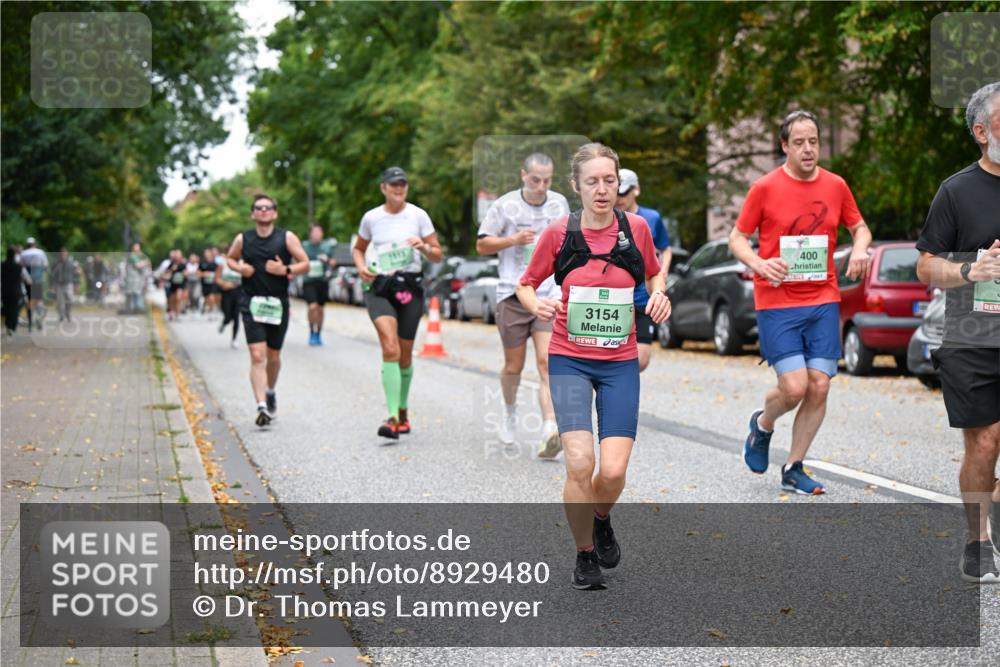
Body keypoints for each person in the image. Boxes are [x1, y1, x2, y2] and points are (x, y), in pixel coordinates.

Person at [516, 143, 670, 590]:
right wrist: (537, 303)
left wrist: (659, 293)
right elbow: (526, 284)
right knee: (580, 462)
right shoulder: (559, 233)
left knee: (614, 471)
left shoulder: (636, 229)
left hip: (619, 362)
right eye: (592, 182)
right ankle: (584, 553)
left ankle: (601, 517)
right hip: (569, 359)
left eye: (609, 181)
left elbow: (654, 273)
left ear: (617, 182)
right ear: (576, 186)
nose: (602, 190)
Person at [729, 110, 872, 496]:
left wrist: (860, 249)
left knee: (820, 387)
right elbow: (737, 238)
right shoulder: (764, 188)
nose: (808, 149)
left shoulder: (836, 185)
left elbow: (859, 227)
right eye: (799, 143)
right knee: (793, 388)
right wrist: (760, 262)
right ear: (784, 147)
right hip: (777, 301)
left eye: (813, 142)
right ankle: (762, 424)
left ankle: (794, 466)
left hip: (823, 298)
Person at [915, 81, 1000, 583]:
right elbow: (926, 265)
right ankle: (977, 540)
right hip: (973, 335)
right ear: (981, 131)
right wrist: (971, 271)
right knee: (984, 443)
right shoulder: (957, 190)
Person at [476, 153, 568, 458]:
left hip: (546, 294)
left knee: (546, 362)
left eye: (547, 180)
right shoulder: (504, 206)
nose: (541, 186)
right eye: (535, 180)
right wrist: (512, 240)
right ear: (523, 176)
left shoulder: (558, 205)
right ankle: (510, 410)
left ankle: (549, 429)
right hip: (513, 296)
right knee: (514, 366)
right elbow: (481, 245)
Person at [353, 167, 443, 439]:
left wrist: (424, 247)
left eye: (402, 184)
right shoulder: (372, 218)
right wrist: (360, 267)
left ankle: (403, 410)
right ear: (383, 188)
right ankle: (392, 417)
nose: (398, 188)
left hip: (410, 287)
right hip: (380, 287)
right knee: (389, 346)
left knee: (404, 355)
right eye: (393, 184)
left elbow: (438, 254)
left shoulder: (418, 216)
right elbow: (358, 248)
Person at [227, 194, 309, 426]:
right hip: (251, 302)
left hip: (277, 304)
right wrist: (239, 268)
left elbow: (305, 263)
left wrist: (285, 269)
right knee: (257, 355)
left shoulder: (286, 237)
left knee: (273, 356)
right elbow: (230, 259)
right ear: (253, 213)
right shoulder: (243, 239)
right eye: (258, 208)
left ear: (275, 213)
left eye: (268, 208)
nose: (263, 211)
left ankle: (270, 390)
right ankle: (261, 406)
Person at [615, 168, 673, 371]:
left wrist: (662, 271)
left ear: (636, 190)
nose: (620, 197)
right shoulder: (606, 219)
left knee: (641, 359)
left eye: (625, 192)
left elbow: (665, 249)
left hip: (642, 296)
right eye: (617, 192)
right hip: (615, 298)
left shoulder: (652, 218)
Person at [302, 223, 338, 346]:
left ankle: (319, 333)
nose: (317, 234)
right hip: (309, 281)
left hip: (322, 281)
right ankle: (312, 331)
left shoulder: (327, 246)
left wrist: (327, 260)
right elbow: (297, 260)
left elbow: (334, 263)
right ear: (310, 234)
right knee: (312, 307)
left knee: (321, 309)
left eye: (319, 232)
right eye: (315, 232)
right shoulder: (304, 246)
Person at [216, 243, 242, 348]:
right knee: (228, 316)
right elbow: (217, 278)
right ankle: (224, 323)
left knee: (236, 317)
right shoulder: (223, 264)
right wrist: (224, 283)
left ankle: (234, 339)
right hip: (226, 293)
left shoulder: (241, 263)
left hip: (238, 293)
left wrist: (236, 284)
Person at [19, 237, 47, 331]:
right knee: (38, 300)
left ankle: (30, 322)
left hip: (28, 280)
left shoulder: (23, 253)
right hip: (37, 279)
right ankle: (39, 316)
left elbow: (21, 268)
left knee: (30, 301)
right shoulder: (40, 252)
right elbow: (45, 266)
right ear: (35, 243)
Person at [50, 248, 80, 322]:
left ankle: (68, 312)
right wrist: (52, 285)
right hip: (59, 284)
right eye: (62, 254)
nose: (63, 255)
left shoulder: (71, 263)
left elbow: (76, 274)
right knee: (60, 301)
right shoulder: (56, 263)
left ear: (67, 254)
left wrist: (77, 283)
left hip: (68, 284)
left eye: (64, 254)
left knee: (70, 299)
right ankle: (61, 315)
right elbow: (52, 275)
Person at [1, 246, 25, 335]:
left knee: (7, 307)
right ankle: (12, 327)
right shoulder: (19, 267)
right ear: (14, 255)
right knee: (14, 309)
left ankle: (8, 326)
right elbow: (26, 278)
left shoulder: (2, 265)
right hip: (16, 291)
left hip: (4, 291)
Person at [124, 242, 150, 314]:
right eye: (136, 247)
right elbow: (138, 265)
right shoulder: (133, 256)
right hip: (133, 279)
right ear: (133, 248)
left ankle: (136, 308)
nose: (137, 249)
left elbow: (147, 263)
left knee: (137, 293)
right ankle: (135, 308)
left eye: (138, 247)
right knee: (134, 294)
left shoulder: (139, 256)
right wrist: (145, 262)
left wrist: (145, 262)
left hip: (138, 279)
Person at [200, 247, 220, 317]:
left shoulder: (215, 263)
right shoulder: (202, 263)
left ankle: (211, 312)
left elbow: (219, 272)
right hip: (205, 284)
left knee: (212, 297)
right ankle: (206, 307)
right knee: (207, 298)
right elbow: (198, 273)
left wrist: (216, 276)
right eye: (205, 253)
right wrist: (204, 274)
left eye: (208, 253)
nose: (207, 255)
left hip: (212, 283)